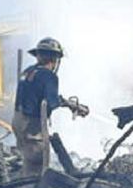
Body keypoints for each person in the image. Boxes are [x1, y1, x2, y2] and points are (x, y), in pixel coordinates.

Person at [12, 38, 88, 176]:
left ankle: (24, 185)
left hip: (18, 121)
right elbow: (51, 102)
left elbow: (38, 95)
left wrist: (68, 103)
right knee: (37, 162)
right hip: (32, 125)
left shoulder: (28, 71)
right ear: (55, 58)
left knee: (27, 159)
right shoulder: (48, 76)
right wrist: (71, 106)